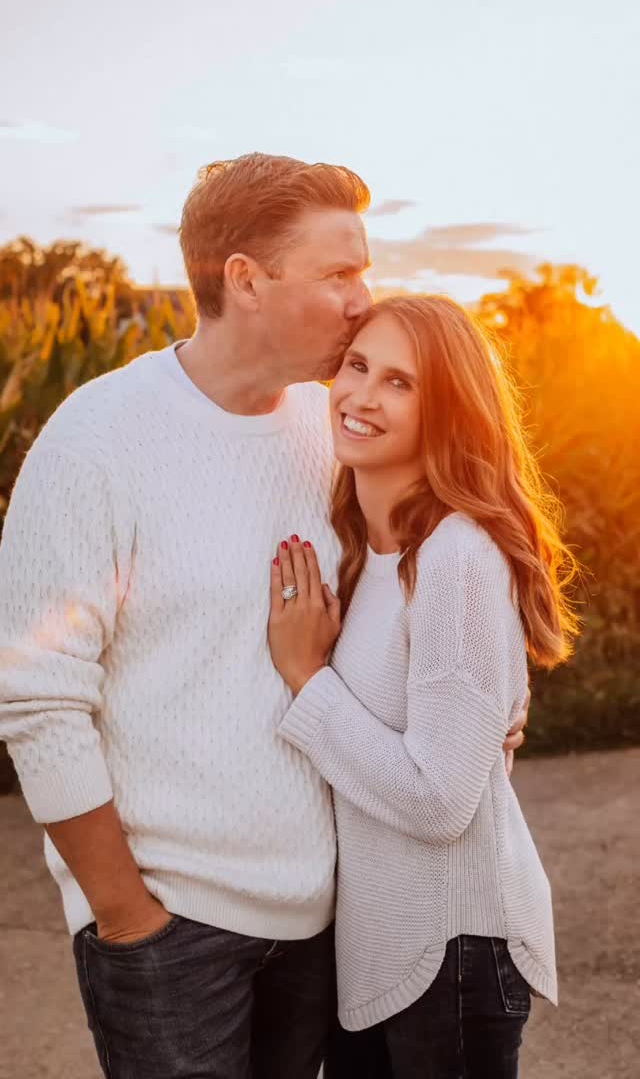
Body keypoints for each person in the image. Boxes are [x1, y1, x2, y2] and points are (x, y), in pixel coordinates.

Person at [0, 155, 525, 1079]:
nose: (364, 300)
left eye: (363, 271)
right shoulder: (97, 438)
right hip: (172, 932)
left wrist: (488, 712)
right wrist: (125, 915)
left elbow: (421, 598)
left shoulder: (334, 428)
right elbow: (36, 699)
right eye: (338, 274)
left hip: (327, 924)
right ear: (245, 279)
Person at [267, 294, 579, 1078]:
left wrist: (308, 681)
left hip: (454, 948)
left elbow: (441, 800)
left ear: (447, 412)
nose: (363, 395)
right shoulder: (367, 550)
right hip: (384, 947)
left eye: (401, 383)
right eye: (358, 365)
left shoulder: (456, 558)